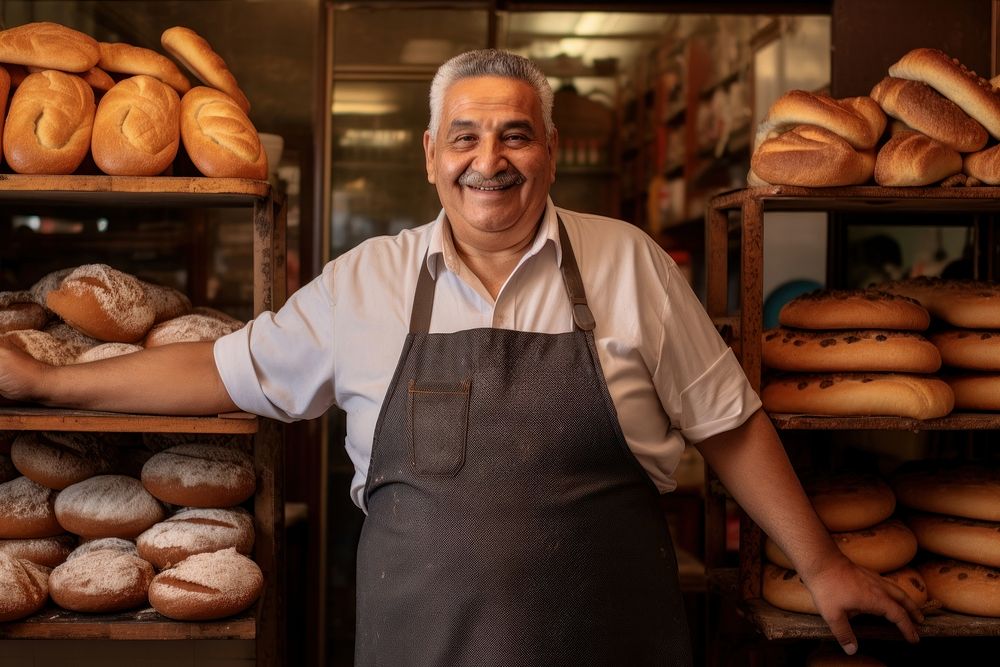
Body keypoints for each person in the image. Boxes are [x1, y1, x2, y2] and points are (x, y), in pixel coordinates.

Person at [0, 49, 921, 665]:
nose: (492, 159)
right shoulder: (368, 279)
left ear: (550, 151)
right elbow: (220, 369)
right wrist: (48, 380)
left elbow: (729, 422)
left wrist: (825, 564)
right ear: (432, 154)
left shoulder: (627, 260)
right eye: (468, 137)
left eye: (516, 134)